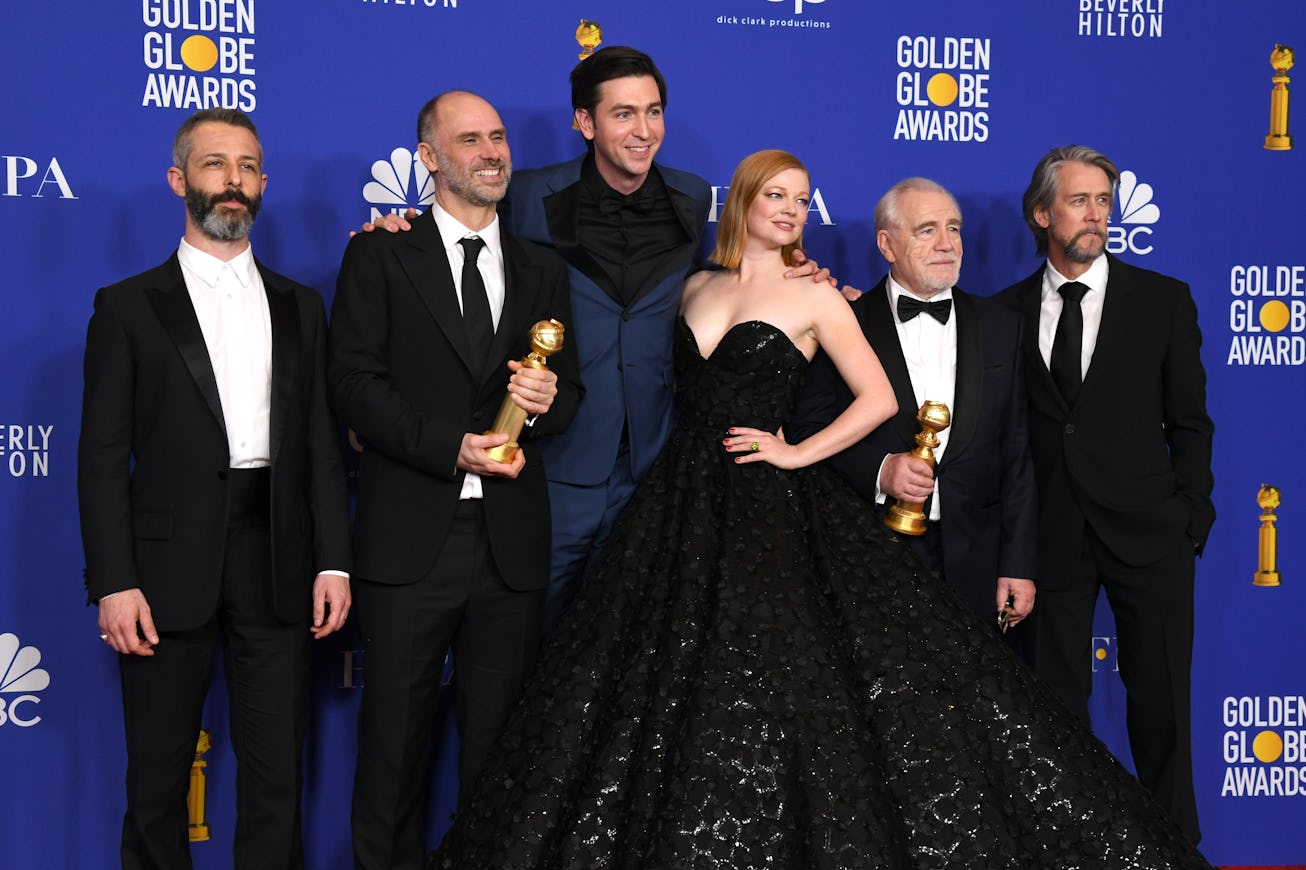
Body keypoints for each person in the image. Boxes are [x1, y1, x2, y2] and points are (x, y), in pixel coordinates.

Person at [429, 150, 1214, 868]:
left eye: (803, 201)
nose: (791, 210)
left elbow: (877, 399)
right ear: (742, 200)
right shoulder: (695, 286)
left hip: (770, 507)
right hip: (675, 506)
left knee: (783, 675)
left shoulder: (816, 295)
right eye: (777, 196)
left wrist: (795, 454)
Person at [363, 47, 832, 632]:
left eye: (654, 112)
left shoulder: (689, 198)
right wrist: (395, 226)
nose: (644, 131)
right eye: (623, 114)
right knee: (532, 641)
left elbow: (729, 280)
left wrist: (804, 270)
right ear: (585, 123)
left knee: (636, 644)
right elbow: (456, 225)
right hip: (558, 463)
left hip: (660, 463)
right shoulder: (530, 194)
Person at [78, 107, 352, 870]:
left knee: (276, 781)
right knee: (157, 781)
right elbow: (100, 457)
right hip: (163, 571)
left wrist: (334, 560)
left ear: (264, 182)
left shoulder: (303, 305)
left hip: (279, 562)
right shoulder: (127, 307)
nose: (233, 181)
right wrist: (114, 581)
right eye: (214, 164)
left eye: (247, 166)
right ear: (179, 180)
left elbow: (323, 446)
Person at [328, 90, 581, 870]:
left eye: (499, 137)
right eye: (469, 139)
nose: (492, 152)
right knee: (392, 749)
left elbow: (569, 397)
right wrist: (453, 448)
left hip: (510, 544)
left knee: (501, 752)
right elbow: (355, 387)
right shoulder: (379, 254)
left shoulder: (542, 266)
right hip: (410, 538)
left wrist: (541, 405)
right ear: (429, 158)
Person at [996, 145, 1215, 843]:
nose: (1095, 215)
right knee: (1054, 708)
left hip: (1150, 532)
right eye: (1078, 201)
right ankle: (1069, 848)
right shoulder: (1001, 314)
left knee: (1162, 706)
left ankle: (1175, 848)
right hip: (1051, 537)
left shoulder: (1163, 301)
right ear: (1041, 214)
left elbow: (1190, 421)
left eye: (1101, 201)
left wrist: (1190, 518)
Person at [791, 177, 1037, 633]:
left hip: (976, 560)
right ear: (887, 244)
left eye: (955, 228)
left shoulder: (1003, 326)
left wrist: (1018, 563)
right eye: (927, 230)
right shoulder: (845, 320)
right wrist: (881, 469)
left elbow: (1018, 454)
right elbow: (810, 424)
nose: (947, 244)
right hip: (870, 554)